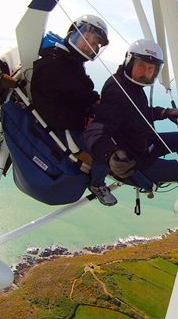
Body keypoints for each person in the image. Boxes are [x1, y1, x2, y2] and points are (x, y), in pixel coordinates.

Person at [84, 38, 178, 217]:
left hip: (146, 143)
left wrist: (165, 113)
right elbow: (98, 130)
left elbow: (139, 112)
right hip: (138, 161)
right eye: (141, 66)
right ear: (129, 62)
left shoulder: (133, 86)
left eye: (151, 69)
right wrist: (110, 155)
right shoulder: (118, 89)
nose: (145, 73)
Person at [30, 14, 117, 206]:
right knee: (106, 150)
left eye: (95, 45)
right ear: (74, 33)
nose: (90, 46)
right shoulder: (52, 64)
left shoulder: (71, 61)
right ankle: (97, 184)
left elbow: (80, 90)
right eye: (88, 40)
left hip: (82, 115)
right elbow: (50, 111)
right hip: (70, 126)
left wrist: (99, 101)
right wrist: (84, 122)